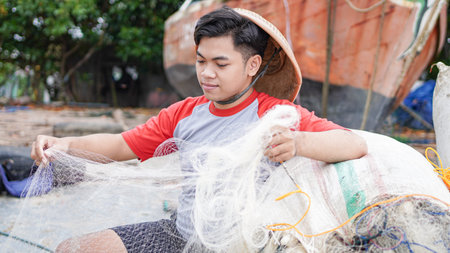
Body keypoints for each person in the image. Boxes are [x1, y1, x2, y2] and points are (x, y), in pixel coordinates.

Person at [31, 6, 367, 253]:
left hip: (245, 244)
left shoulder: (276, 115)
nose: (206, 73)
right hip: (181, 235)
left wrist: (299, 142)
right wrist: (65, 143)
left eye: (220, 64)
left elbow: (352, 144)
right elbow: (121, 145)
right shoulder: (185, 113)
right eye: (200, 60)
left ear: (252, 66)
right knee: (73, 249)